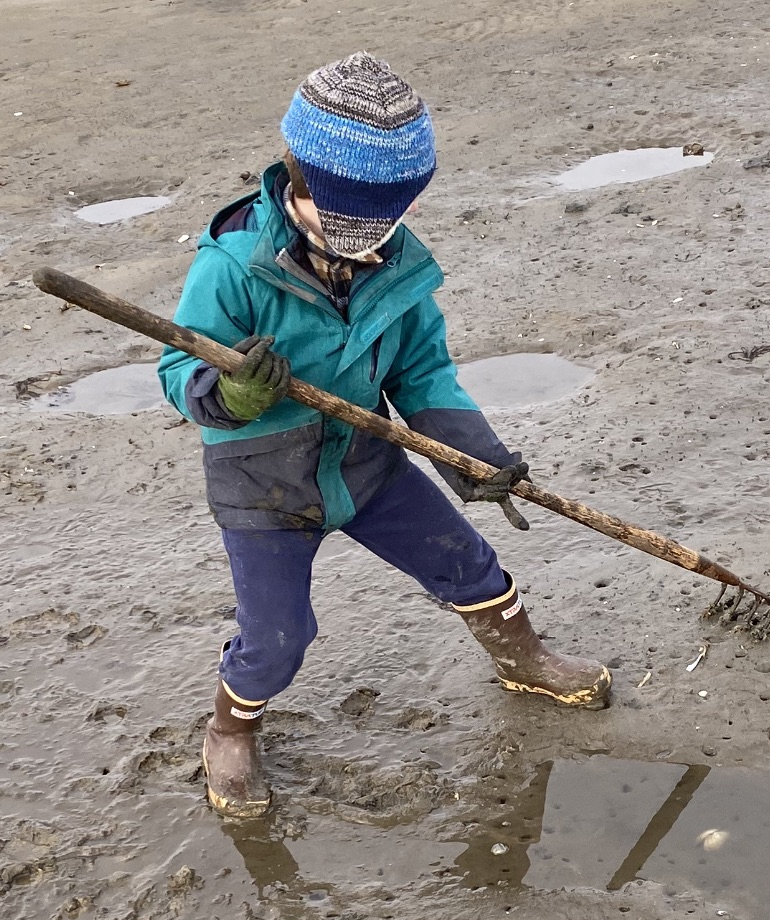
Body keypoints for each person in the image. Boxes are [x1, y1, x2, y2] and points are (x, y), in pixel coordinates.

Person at [158, 51, 611, 819]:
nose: (369, 246)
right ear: (296, 183)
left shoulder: (397, 266)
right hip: (264, 483)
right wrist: (226, 393)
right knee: (278, 638)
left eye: (385, 227)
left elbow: (424, 374)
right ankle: (229, 730)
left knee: (468, 563)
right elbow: (177, 368)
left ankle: (526, 659)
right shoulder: (233, 266)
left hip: (367, 465)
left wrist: (478, 456)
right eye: (348, 231)